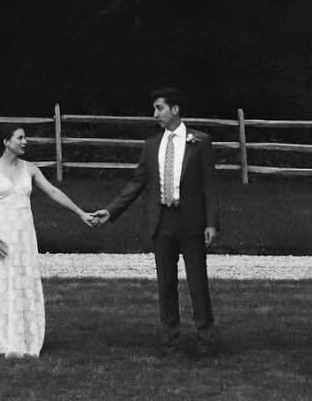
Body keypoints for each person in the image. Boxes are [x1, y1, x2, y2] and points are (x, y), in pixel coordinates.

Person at [89, 86, 221, 352]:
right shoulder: (151, 145)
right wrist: (111, 210)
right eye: (154, 109)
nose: (155, 114)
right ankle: (170, 339)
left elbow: (210, 186)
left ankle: (205, 340)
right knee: (166, 285)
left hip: (192, 221)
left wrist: (211, 223)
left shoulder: (200, 141)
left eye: (159, 108)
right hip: (162, 222)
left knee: (197, 283)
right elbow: (137, 183)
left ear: (175, 109)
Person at [0, 122, 97, 358]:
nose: (25, 142)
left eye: (25, 138)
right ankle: (2, 336)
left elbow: (53, 192)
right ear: (7, 142)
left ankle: (23, 336)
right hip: (1, 234)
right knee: (2, 281)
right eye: (20, 138)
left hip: (25, 236)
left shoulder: (30, 169)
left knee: (23, 280)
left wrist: (80, 212)